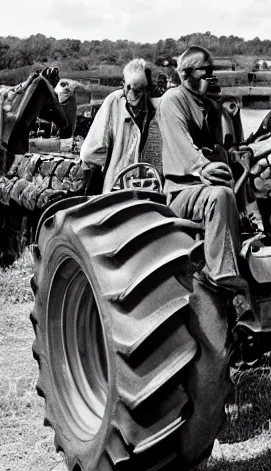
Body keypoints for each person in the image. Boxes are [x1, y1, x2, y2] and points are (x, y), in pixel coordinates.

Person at [157, 45, 247, 293]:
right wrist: (203, 166)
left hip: (206, 184)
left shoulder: (209, 105)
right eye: (204, 71)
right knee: (220, 195)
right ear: (185, 74)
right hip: (182, 190)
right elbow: (183, 147)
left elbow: (219, 148)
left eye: (212, 71)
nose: (210, 77)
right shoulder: (172, 100)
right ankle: (222, 272)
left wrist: (235, 154)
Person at [80, 58, 157, 192]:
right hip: (116, 188)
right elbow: (89, 152)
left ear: (147, 89)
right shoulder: (114, 101)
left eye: (139, 91)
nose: (133, 95)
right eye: (130, 89)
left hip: (145, 187)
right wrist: (116, 164)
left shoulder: (155, 107)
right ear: (124, 85)